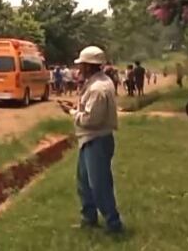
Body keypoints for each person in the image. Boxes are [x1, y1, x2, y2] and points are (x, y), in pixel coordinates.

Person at [67, 46, 123, 234]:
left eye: (82, 64)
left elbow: (91, 120)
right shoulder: (97, 82)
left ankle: (113, 224)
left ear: (89, 66)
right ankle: (89, 218)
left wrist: (73, 113)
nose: (79, 67)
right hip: (90, 140)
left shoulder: (98, 88)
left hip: (96, 140)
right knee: (84, 182)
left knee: (99, 185)